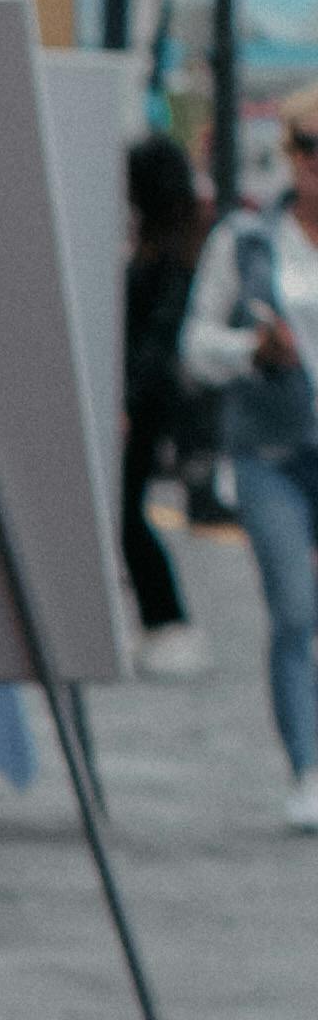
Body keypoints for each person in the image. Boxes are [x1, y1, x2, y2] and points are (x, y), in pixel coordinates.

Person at [175, 97, 318, 817]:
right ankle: (308, 768)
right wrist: (250, 352)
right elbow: (194, 347)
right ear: (291, 155)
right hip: (270, 450)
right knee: (295, 607)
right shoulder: (248, 240)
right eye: (312, 146)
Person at [122, 129, 200, 641]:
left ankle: (167, 619)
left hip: (144, 400)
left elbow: (158, 340)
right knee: (125, 508)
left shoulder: (168, 255)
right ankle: (163, 620)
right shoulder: (169, 243)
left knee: (125, 509)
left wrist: (127, 401)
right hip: (145, 397)